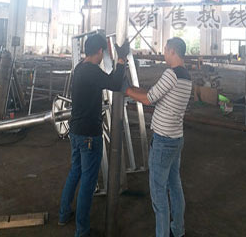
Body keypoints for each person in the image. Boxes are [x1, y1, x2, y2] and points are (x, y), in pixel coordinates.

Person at [59, 34, 130, 236]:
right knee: (88, 183)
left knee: (75, 172)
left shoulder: (80, 67)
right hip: (89, 134)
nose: (102, 57)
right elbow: (115, 84)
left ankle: (64, 214)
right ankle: (82, 231)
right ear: (99, 51)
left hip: (75, 131)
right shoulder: (92, 70)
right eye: (102, 53)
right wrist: (121, 59)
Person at [125, 37, 192, 237]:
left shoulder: (171, 74)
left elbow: (148, 99)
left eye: (165, 49)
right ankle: (178, 230)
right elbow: (153, 93)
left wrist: (125, 89)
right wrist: (133, 89)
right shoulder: (186, 76)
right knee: (175, 186)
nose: (163, 53)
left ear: (172, 51)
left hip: (163, 141)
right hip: (176, 139)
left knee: (158, 193)